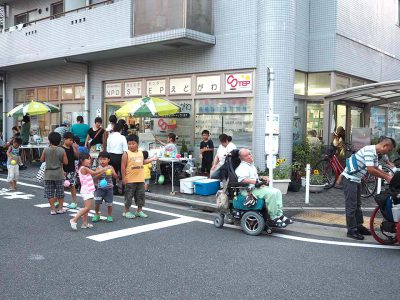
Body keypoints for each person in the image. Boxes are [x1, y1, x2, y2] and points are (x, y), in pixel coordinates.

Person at [342, 137, 396, 240]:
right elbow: (371, 170)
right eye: (388, 150)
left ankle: (358, 226)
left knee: (357, 205)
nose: (387, 153)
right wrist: (387, 177)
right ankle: (351, 230)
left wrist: (389, 176)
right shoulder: (369, 150)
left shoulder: (375, 153)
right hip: (350, 180)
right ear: (385, 146)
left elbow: (376, 168)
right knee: (351, 206)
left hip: (357, 180)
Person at [235, 148, 293, 227]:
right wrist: (257, 182)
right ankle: (273, 218)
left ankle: (279, 214)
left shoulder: (251, 166)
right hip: (248, 190)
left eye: (249, 154)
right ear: (241, 158)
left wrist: (262, 178)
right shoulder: (242, 167)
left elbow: (254, 178)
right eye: (246, 155)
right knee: (271, 194)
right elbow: (242, 180)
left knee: (277, 191)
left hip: (255, 188)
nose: (249, 156)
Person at [69, 153, 109, 230]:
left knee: (87, 208)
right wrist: (103, 169)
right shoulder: (84, 168)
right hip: (86, 190)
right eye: (88, 159)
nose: (90, 160)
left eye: (90, 159)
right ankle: (74, 219)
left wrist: (102, 172)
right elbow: (94, 173)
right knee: (87, 208)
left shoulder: (84, 168)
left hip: (88, 189)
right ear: (82, 160)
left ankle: (84, 223)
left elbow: (93, 174)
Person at [121, 135, 157, 219]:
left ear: (137, 144)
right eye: (129, 144)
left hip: (140, 179)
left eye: (133, 144)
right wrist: (123, 177)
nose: (131, 146)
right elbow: (123, 166)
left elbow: (142, 162)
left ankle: (139, 211)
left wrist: (152, 159)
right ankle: (126, 211)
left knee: (140, 196)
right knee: (129, 196)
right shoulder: (126, 154)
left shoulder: (141, 152)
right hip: (130, 179)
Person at [40, 132, 68, 215]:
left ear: (49, 141)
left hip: (48, 174)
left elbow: (41, 160)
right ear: (60, 141)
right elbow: (66, 162)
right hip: (59, 174)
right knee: (60, 192)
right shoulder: (62, 150)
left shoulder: (46, 149)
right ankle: (60, 208)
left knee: (50, 192)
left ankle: (52, 209)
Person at [92, 152, 118, 223]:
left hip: (109, 189)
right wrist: (101, 172)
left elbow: (116, 177)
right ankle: (97, 214)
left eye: (104, 159)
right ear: (98, 160)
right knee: (97, 202)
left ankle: (109, 216)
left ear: (108, 160)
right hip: (99, 189)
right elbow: (95, 178)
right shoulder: (98, 168)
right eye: (100, 159)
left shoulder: (111, 167)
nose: (102, 161)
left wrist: (112, 172)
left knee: (109, 203)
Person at [106, 122, 128, 195]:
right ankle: (124, 190)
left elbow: (108, 149)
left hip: (111, 156)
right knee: (122, 173)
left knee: (113, 173)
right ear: (121, 130)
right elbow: (125, 150)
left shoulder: (110, 137)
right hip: (120, 156)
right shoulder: (122, 137)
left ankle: (114, 190)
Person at [62, 132, 79, 209]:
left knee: (72, 186)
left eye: (72, 140)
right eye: (70, 140)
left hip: (71, 170)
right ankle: (58, 200)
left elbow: (77, 157)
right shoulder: (61, 149)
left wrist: (75, 148)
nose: (71, 142)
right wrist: (62, 170)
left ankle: (74, 202)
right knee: (60, 186)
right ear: (64, 139)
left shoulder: (72, 148)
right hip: (62, 170)